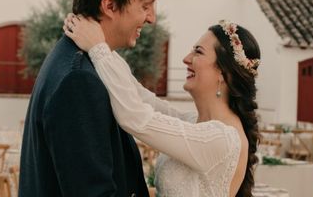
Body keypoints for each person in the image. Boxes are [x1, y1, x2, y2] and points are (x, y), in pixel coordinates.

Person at [64, 16, 261, 197]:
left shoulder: (222, 139)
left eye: (198, 52)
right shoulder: (194, 122)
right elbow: (141, 97)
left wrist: (98, 48)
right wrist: (102, 41)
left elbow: (136, 118)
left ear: (223, 72)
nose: (186, 58)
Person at [19, 0, 160, 196]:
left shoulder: (81, 61)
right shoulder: (79, 79)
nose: (152, 18)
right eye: (145, 6)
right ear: (110, 6)